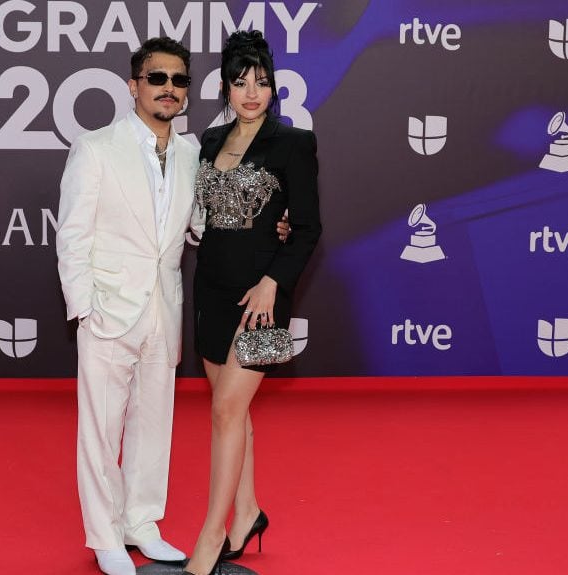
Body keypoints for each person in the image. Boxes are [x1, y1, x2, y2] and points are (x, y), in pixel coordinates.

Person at [56, 37, 198, 575]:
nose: (168, 89)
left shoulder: (191, 154)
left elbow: (198, 229)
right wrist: (84, 308)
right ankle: (105, 536)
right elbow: (72, 236)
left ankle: (142, 522)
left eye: (179, 80)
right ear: (134, 85)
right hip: (108, 309)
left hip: (164, 308)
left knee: (153, 425)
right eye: (157, 78)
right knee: (101, 428)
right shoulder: (96, 147)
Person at [181, 30, 322, 575]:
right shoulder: (210, 143)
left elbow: (308, 228)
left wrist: (273, 282)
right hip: (211, 290)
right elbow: (202, 221)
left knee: (224, 411)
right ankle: (247, 513)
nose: (252, 93)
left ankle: (211, 536)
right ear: (225, 87)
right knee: (232, 415)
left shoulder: (293, 143)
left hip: (262, 300)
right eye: (241, 83)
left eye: (261, 82)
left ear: (273, 87)